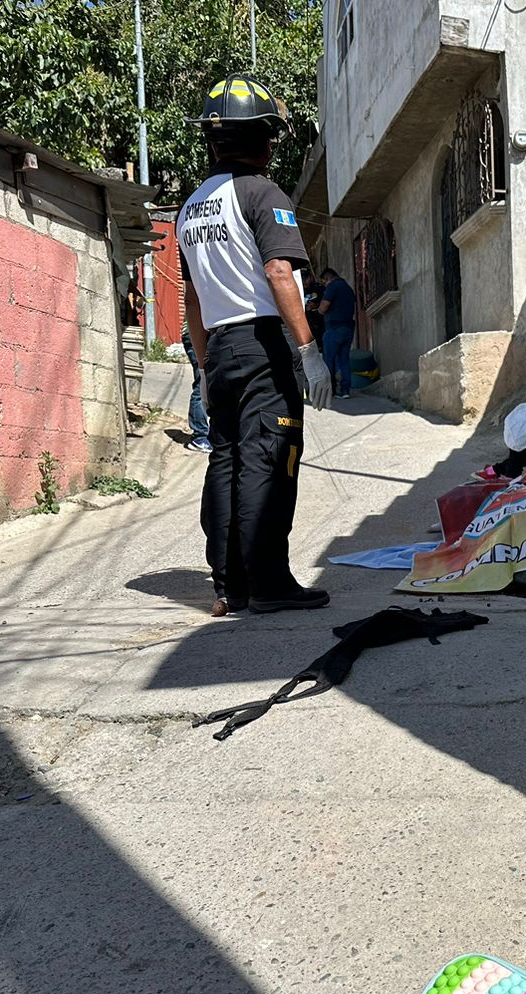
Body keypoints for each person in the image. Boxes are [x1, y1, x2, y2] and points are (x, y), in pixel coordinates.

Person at [177, 74, 334, 617]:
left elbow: (193, 299)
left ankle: (230, 585)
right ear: (265, 137)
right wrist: (309, 348)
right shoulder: (263, 193)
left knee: (226, 459)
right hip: (262, 344)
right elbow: (277, 271)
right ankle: (269, 584)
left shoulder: (191, 207)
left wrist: (202, 366)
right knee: (270, 458)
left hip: (218, 345)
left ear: (212, 139)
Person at [316, 267, 356, 400]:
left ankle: (330, 390)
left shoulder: (332, 286)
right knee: (344, 360)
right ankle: (345, 390)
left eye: (324, 282)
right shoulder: (348, 288)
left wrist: (318, 310)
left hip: (334, 329)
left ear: (328, 278)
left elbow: (324, 307)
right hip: (348, 328)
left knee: (329, 360)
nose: (325, 285)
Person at [182, 321, 211, 452]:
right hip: (198, 333)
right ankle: (200, 436)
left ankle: (204, 433)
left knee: (206, 382)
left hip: (200, 333)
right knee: (201, 383)